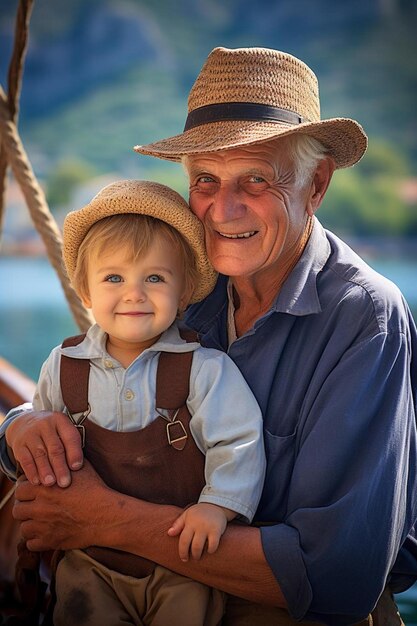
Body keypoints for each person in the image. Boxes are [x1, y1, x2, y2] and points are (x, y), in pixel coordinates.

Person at [1, 46, 417, 625]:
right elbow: (94, 376)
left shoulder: (365, 318)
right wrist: (19, 424)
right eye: (205, 180)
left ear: (315, 184)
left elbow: (336, 577)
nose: (222, 209)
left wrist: (105, 520)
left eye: (254, 179)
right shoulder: (181, 285)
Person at [3, 179, 266, 625]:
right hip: (90, 562)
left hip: (183, 558)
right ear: (85, 292)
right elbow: (41, 433)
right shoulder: (63, 365)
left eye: (155, 278)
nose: (134, 293)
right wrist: (23, 431)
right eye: (113, 278)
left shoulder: (204, 369)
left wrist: (217, 506)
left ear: (183, 293)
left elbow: (238, 441)